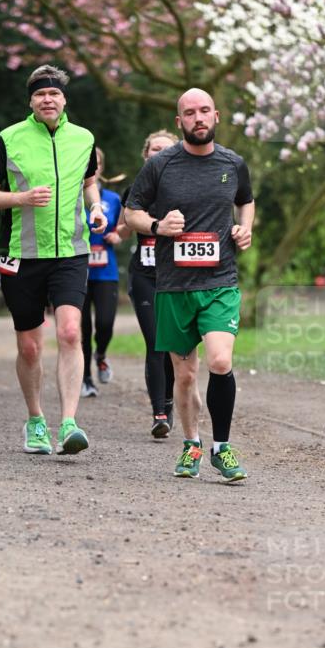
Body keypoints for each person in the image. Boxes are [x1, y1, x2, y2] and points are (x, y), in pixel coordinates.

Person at [0, 64, 107, 455]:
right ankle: (35, 420)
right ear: (31, 101)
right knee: (30, 347)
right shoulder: (9, 139)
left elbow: (89, 182)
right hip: (22, 254)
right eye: (40, 94)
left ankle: (68, 423)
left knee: (69, 332)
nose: (48, 99)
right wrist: (20, 199)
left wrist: (95, 208)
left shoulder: (83, 138)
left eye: (54, 94)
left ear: (64, 99)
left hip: (71, 252)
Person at [124, 88, 254, 482]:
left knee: (219, 361)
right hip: (174, 285)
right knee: (183, 376)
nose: (197, 118)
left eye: (203, 111)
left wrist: (244, 228)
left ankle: (222, 448)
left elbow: (246, 200)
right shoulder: (160, 165)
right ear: (180, 121)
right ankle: (192, 443)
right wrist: (158, 226)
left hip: (219, 282)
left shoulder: (233, 162)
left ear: (216, 115)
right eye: (189, 113)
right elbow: (132, 212)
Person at [122, 130, 178, 437]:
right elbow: (125, 226)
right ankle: (159, 412)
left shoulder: (186, 190)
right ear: (146, 156)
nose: (158, 154)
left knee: (174, 346)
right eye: (153, 149)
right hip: (144, 275)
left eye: (165, 150)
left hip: (178, 278)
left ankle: (169, 401)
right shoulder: (135, 191)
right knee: (156, 341)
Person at [80, 147, 122, 397]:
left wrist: (117, 234)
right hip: (77, 272)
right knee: (81, 329)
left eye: (95, 164)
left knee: (105, 323)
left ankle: (102, 354)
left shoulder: (113, 200)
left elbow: (123, 226)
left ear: (101, 168)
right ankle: (85, 378)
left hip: (106, 271)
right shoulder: (70, 198)